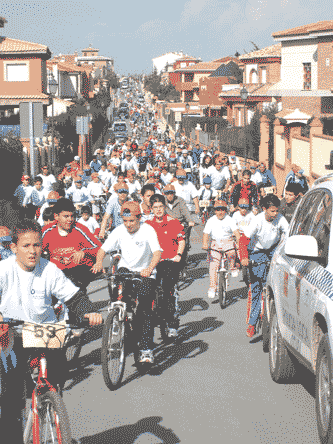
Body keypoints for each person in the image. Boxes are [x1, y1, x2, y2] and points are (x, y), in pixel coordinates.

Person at [0, 219, 102, 442]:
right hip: (13, 333)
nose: (32, 251)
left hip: (45, 330)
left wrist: (88, 312)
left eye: (37, 245)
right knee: (12, 395)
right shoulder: (4, 270)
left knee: (56, 379)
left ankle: (51, 409)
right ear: (13, 247)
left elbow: (74, 297)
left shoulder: (49, 269)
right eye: (26, 246)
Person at [92, 201, 162, 364]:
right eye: (125, 221)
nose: (128, 224)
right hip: (126, 269)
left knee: (144, 309)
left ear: (139, 218)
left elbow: (157, 253)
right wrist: (98, 262)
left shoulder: (148, 230)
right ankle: (119, 318)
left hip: (145, 271)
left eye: (132, 220)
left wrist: (150, 268)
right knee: (118, 292)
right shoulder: (119, 231)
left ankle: (146, 350)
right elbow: (103, 249)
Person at [238, 194, 289, 338]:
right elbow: (243, 240)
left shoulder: (280, 219)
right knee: (256, 288)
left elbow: (288, 233)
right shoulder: (257, 220)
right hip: (257, 252)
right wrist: (244, 258)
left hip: (273, 250)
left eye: (277, 210)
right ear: (264, 209)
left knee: (276, 286)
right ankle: (252, 323)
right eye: (272, 211)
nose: (275, 213)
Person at [146, 194, 185, 338]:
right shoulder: (148, 225)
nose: (158, 210)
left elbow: (181, 241)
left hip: (170, 261)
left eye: (160, 207)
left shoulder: (173, 222)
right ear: (151, 209)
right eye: (155, 207)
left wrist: (178, 255)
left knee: (169, 291)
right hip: (154, 263)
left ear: (165, 207)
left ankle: (172, 324)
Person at [42, 198, 102, 291]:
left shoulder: (79, 229)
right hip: (57, 273)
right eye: (66, 216)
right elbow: (36, 249)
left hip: (79, 272)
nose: (70, 220)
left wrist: (84, 252)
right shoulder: (47, 231)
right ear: (56, 216)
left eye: (72, 216)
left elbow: (99, 248)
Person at [202, 200, 239, 299]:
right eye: (218, 210)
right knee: (213, 265)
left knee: (232, 253)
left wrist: (239, 242)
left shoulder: (230, 220)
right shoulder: (211, 220)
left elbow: (236, 232)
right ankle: (212, 287)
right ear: (214, 211)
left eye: (222, 210)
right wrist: (205, 244)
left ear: (226, 211)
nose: (220, 212)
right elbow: (206, 234)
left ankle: (232, 267)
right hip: (215, 243)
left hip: (228, 241)